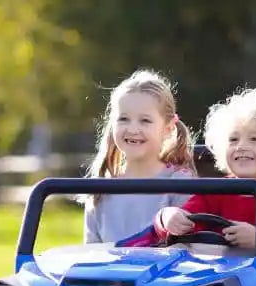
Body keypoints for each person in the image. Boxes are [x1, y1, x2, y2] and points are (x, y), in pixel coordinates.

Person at [124, 87, 256, 286]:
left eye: (255, 139)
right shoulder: (216, 190)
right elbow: (185, 218)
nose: (241, 146)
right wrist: (168, 218)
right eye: (233, 139)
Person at [82, 69, 197, 244]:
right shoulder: (100, 192)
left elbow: (190, 249)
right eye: (123, 119)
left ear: (167, 129)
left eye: (145, 121)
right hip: (110, 272)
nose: (133, 129)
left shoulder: (180, 184)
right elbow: (90, 255)